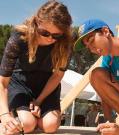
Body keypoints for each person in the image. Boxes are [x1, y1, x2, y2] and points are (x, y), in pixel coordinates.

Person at [0, 0, 72, 134]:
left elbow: (57, 76)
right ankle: (23, 116)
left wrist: (39, 101)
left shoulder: (66, 43)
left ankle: (33, 117)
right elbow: (2, 82)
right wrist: (4, 116)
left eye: (56, 35)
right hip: (20, 82)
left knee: (50, 126)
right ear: (37, 22)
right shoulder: (19, 38)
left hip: (46, 85)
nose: (50, 38)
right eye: (44, 33)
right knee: (26, 124)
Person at [74, 19, 119, 135]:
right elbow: (105, 95)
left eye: (91, 41)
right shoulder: (108, 58)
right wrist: (109, 123)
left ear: (106, 31)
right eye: (88, 47)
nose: (91, 49)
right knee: (96, 75)